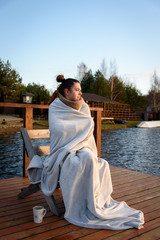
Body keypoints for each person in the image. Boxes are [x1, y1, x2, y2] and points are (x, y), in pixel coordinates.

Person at [27, 75, 144, 230]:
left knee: (100, 163)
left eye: (81, 90)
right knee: (87, 159)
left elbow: (88, 130)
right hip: (63, 152)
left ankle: (94, 202)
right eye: (77, 90)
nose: (80, 93)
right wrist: (82, 126)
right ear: (67, 91)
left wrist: (83, 127)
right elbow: (58, 129)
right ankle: (83, 204)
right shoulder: (56, 106)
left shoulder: (84, 107)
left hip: (82, 148)